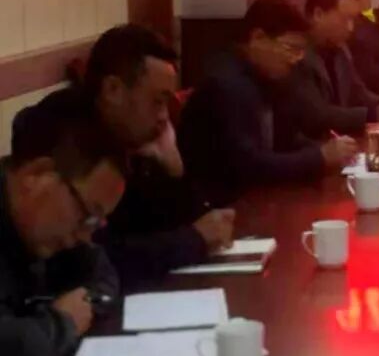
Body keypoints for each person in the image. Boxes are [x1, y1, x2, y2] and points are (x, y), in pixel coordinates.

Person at [13, 25, 236, 290]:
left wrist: (175, 171)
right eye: (157, 101)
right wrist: (192, 240)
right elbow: (93, 260)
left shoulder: (140, 141)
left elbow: (179, 225)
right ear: (113, 89)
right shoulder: (60, 132)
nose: (164, 116)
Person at [179, 0, 358, 206]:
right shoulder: (226, 84)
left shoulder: (265, 76)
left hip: (257, 197)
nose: (295, 60)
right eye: (291, 49)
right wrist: (319, 157)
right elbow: (249, 166)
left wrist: (328, 151)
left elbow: (286, 138)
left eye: (300, 52)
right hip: (223, 206)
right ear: (258, 38)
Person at [1, 105, 126, 356]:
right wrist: (63, 324)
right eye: (86, 215)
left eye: (95, 223)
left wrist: (81, 305)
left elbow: (103, 276)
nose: (86, 236)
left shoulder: (51, 232)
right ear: (37, 175)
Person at [281, 0, 379, 140]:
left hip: (342, 141)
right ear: (318, 14)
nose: (350, 28)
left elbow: (357, 92)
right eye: (345, 19)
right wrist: (374, 114)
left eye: (353, 20)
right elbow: (316, 114)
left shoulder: (339, 48)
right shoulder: (296, 53)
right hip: (313, 145)